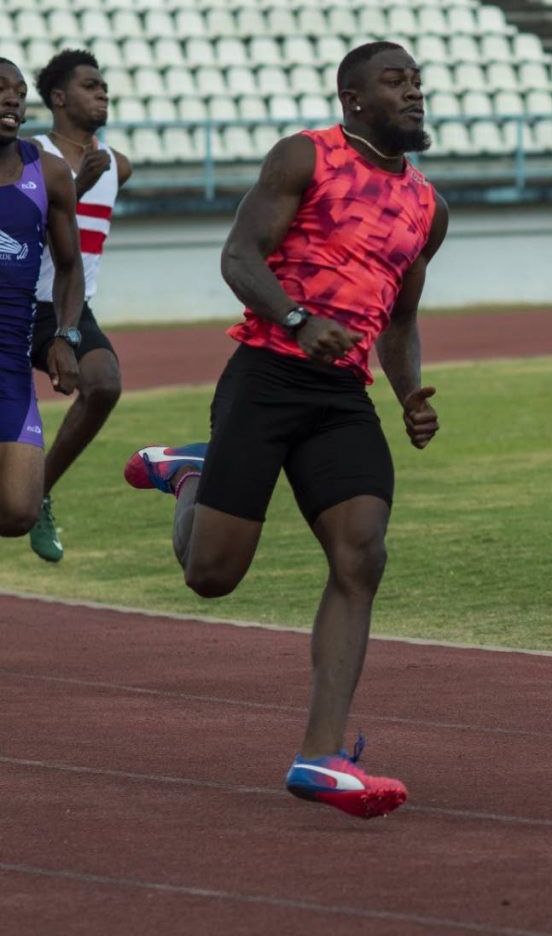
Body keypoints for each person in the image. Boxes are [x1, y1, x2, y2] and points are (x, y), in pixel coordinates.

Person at [124, 42, 449, 819]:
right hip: (267, 375)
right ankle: (191, 473)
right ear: (352, 97)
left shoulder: (427, 206)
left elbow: (399, 321)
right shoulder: (305, 157)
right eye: (394, 82)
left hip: (341, 396)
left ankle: (320, 758)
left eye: (417, 82)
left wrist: (407, 394)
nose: (414, 93)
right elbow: (240, 257)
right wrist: (298, 320)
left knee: (361, 553)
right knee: (212, 575)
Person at [28, 49, 132, 562]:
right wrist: (74, 188)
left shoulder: (118, 164)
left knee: (105, 383)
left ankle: (38, 491)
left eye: (105, 86)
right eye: (91, 86)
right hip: (13, 296)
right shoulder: (29, 155)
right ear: (58, 97)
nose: (103, 93)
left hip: (67, 306)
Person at [0, 57, 84, 538]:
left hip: (9, 362)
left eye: (18, 90)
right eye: (0, 89)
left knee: (17, 511)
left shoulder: (48, 175)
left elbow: (69, 266)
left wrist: (65, 335)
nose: (11, 97)